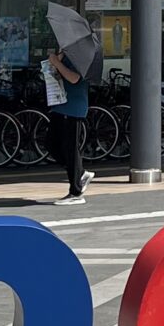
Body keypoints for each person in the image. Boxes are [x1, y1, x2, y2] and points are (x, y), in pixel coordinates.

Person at [45, 17, 102, 200]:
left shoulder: (83, 55)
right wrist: (56, 61)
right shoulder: (67, 52)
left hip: (74, 108)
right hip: (60, 105)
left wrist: (57, 63)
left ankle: (76, 191)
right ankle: (80, 173)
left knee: (70, 149)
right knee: (51, 144)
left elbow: (74, 78)